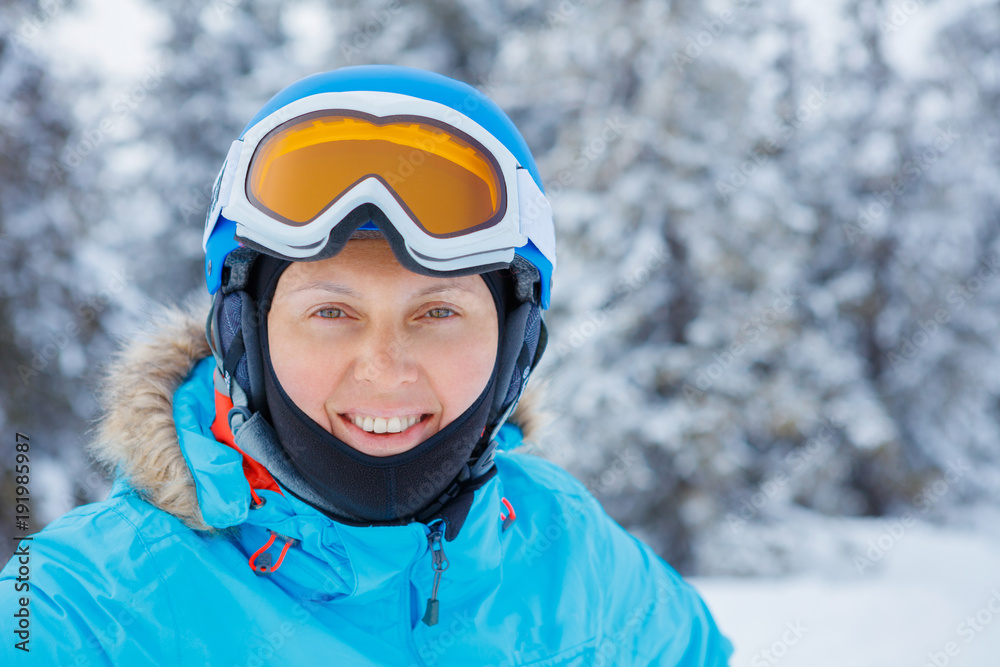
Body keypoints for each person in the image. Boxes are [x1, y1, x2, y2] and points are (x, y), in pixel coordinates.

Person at [1, 65, 733, 665]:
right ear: (241, 333)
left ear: (518, 348)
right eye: (330, 312)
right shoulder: (79, 607)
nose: (384, 370)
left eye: (438, 313)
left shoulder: (570, 551)